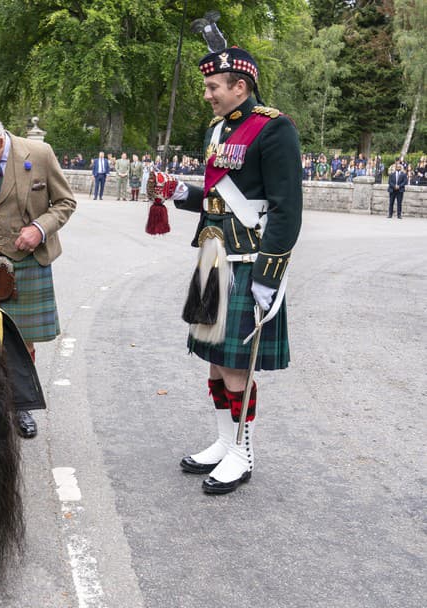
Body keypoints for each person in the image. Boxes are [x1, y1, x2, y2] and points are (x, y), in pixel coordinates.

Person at [164, 37, 302, 494]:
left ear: (240, 86)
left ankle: (243, 451)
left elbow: (286, 210)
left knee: (237, 366)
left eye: (212, 87)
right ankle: (224, 441)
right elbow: (217, 201)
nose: (207, 95)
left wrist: (269, 275)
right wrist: (179, 193)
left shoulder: (274, 129)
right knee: (212, 357)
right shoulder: (216, 130)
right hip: (213, 256)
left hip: (249, 261)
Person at [0, 109, 76, 439]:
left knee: (20, 341)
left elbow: (65, 203)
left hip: (27, 261)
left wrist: (39, 228)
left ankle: (20, 404)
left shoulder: (39, 154)